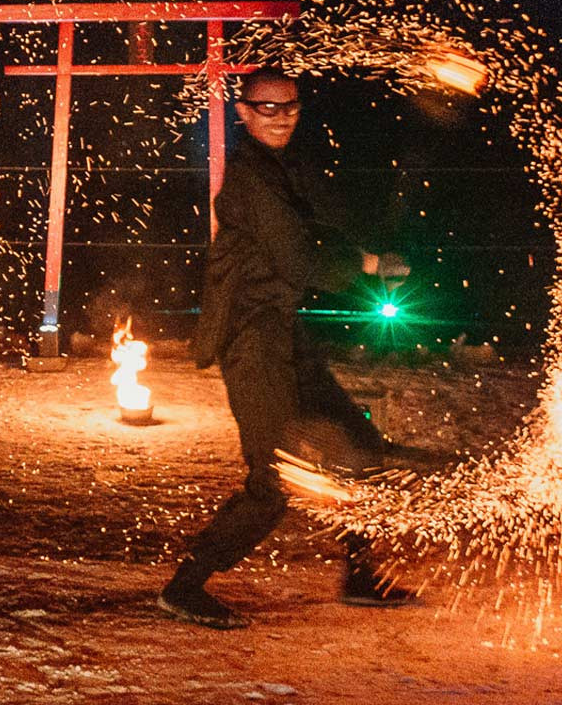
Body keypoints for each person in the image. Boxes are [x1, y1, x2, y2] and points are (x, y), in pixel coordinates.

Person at [160, 67, 418, 629]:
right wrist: (371, 265)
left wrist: (375, 226)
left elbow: (326, 214)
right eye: (267, 108)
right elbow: (296, 257)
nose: (280, 118)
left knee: (360, 447)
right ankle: (184, 587)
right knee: (273, 479)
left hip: (284, 331)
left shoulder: (287, 168)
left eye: (290, 108)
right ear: (245, 113)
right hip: (251, 339)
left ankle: (360, 577)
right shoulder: (252, 179)